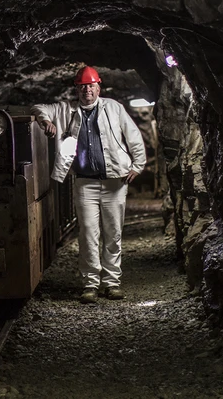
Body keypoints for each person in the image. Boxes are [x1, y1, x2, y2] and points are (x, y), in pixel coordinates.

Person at [31, 66, 147, 304]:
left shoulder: (113, 108)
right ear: (77, 89)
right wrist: (45, 121)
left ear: (98, 87)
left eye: (91, 85)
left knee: (113, 234)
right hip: (85, 183)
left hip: (115, 182)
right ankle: (90, 284)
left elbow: (133, 135)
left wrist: (138, 165)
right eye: (83, 86)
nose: (87, 90)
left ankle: (112, 283)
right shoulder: (65, 109)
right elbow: (38, 108)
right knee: (88, 234)